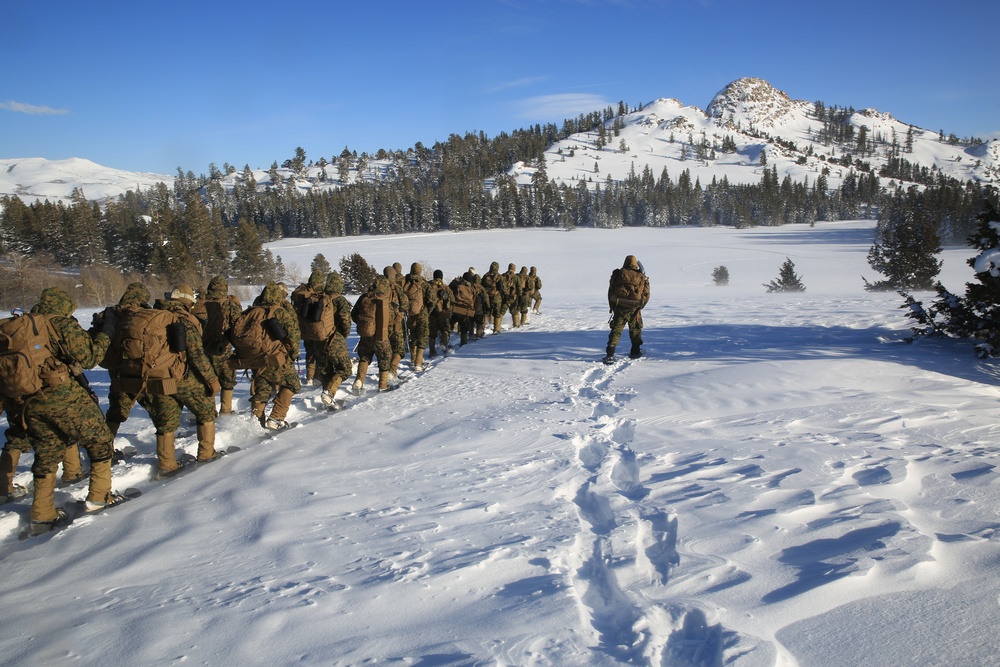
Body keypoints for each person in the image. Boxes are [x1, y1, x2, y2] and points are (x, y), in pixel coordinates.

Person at [0, 287, 120, 534]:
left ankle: (42, 516)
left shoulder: (20, 326)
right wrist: (106, 333)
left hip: (25, 401)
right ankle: (99, 498)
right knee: (100, 440)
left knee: (46, 451)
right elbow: (89, 357)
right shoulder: (60, 324)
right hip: (60, 395)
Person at [131, 285, 223, 476]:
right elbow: (197, 355)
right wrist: (211, 380)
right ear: (188, 301)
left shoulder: (153, 316)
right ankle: (207, 454)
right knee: (206, 411)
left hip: (157, 377)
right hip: (182, 376)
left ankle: (166, 464)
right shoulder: (183, 320)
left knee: (166, 420)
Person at [244, 282, 301, 431]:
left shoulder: (251, 311)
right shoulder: (279, 311)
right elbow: (293, 335)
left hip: (255, 358)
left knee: (262, 389)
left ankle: (255, 422)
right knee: (292, 384)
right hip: (276, 357)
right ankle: (276, 418)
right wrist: (293, 354)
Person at [193, 275, 242, 415]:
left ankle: (210, 411)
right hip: (222, 347)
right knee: (227, 379)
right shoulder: (229, 304)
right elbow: (238, 325)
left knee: (207, 379)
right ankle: (226, 410)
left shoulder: (198, 304)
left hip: (200, 349)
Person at [315, 272, 353, 409]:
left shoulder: (319, 299)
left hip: (318, 340)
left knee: (326, 370)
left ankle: (327, 398)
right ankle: (329, 394)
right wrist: (343, 335)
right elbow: (345, 321)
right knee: (345, 369)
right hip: (335, 339)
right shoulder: (340, 300)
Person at [351, 275, 394, 393]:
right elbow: (391, 320)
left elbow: (354, 314)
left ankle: (359, 381)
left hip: (366, 334)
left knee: (365, 356)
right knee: (384, 358)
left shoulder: (364, 298)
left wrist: (364, 325)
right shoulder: (385, 301)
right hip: (381, 335)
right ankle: (383, 385)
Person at [604, 255, 650, 363]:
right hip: (634, 308)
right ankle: (635, 351)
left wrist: (613, 306)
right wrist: (640, 306)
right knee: (635, 329)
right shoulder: (640, 275)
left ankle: (610, 354)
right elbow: (646, 293)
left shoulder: (619, 274)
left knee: (616, 330)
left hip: (620, 307)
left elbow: (611, 292)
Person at [290, 268, 325, 386]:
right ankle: (318, 377)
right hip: (317, 326)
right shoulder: (321, 291)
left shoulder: (301, 291)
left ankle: (309, 376)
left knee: (309, 352)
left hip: (303, 327)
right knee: (320, 352)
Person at [403, 262, 434, 371]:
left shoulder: (405, 282)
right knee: (422, 337)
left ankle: (413, 357)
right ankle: (418, 362)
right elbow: (432, 300)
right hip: (422, 313)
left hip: (409, 314)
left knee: (413, 336)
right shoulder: (424, 284)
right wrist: (427, 311)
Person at [382, 266, 409, 378]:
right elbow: (405, 304)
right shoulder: (397, 288)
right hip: (395, 323)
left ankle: (384, 373)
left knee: (385, 349)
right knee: (398, 348)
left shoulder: (377, 288)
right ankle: (392, 370)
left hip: (380, 323)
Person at [427, 269, 453, 357]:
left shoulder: (428, 285)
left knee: (432, 334)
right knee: (445, 329)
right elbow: (452, 299)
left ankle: (432, 351)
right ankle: (443, 344)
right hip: (442, 312)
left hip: (430, 313)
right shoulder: (445, 287)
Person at [481, 261, 505, 335]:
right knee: (497, 313)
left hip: (486, 297)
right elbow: (503, 288)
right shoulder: (499, 276)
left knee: (485, 313)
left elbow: (481, 286)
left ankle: (481, 329)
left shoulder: (485, 275)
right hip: (496, 297)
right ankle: (496, 329)